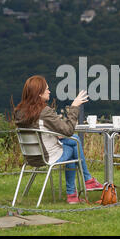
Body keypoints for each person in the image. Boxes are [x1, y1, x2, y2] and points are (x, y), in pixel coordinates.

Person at [14, 75, 103, 204]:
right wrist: (74, 106)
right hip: (47, 157)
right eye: (47, 89)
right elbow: (68, 130)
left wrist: (54, 134)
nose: (49, 91)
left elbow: (37, 130)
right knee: (74, 143)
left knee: (73, 140)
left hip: (31, 156)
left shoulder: (20, 111)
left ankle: (78, 190)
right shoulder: (44, 111)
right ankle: (84, 183)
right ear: (39, 93)